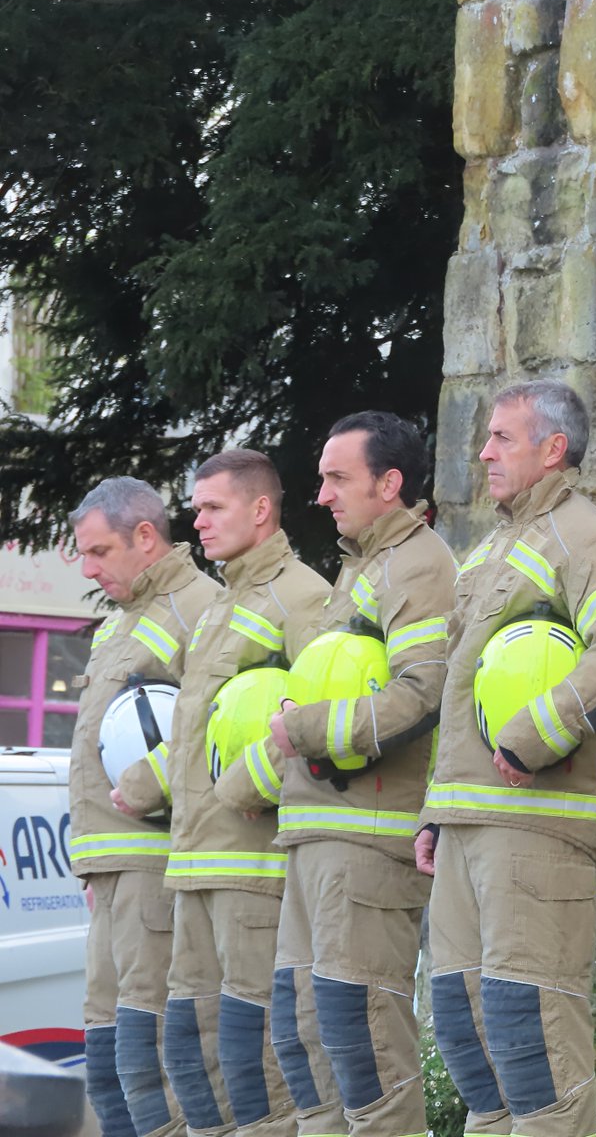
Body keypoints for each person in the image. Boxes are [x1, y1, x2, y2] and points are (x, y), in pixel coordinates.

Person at [416, 378, 596, 1137]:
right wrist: (435, 809)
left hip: (536, 824)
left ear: (554, 449)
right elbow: (460, 695)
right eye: (485, 437)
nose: (483, 451)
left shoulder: (586, 537)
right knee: (466, 1035)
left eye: (502, 438)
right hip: (466, 824)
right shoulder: (493, 547)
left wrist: (535, 735)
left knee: (531, 1043)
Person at [114, 450, 329, 1137]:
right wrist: (142, 784)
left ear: (260, 509)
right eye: (196, 508)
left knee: (252, 1059)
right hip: (196, 861)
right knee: (189, 1052)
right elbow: (198, 727)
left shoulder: (304, 596)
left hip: (255, 868)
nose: (196, 522)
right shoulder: (219, 608)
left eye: (212, 508)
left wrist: (243, 789)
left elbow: (316, 716)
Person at [257, 411, 456, 1135]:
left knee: (361, 1042)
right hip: (317, 833)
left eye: (338, 477)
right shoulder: (364, 565)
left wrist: (302, 727)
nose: (321, 495)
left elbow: (420, 691)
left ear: (390, 482)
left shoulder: (419, 564)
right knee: (305, 1040)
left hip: (367, 840)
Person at [68, 477, 218, 1137]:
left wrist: (152, 782)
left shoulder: (203, 608)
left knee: (148, 1062)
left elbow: (218, 728)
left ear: (146, 537)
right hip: (111, 870)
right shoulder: (121, 623)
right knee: (104, 1066)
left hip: (158, 869)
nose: (89, 568)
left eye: (99, 551)